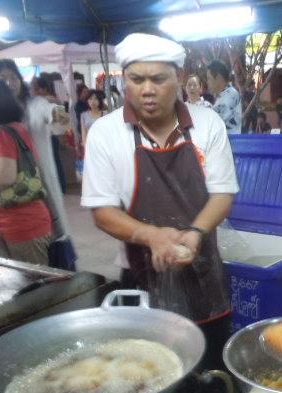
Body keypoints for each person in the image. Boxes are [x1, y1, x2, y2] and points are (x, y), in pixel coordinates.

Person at [81, 33, 239, 373]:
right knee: (149, 377)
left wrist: (195, 233)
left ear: (179, 77)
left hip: (205, 279)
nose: (147, 90)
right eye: (136, 80)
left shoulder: (207, 124)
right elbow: (103, 212)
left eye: (158, 79)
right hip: (142, 282)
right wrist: (151, 236)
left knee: (212, 376)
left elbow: (223, 194)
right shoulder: (105, 133)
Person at [0, 59, 74, 267]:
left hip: (41, 184)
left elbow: (48, 111)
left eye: (13, 77)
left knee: (54, 242)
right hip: (9, 193)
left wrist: (56, 113)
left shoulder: (33, 105)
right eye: (2, 78)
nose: (9, 83)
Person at [0, 77, 52, 265]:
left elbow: (6, 176)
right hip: (22, 223)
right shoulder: (16, 129)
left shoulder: (4, 135)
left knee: (33, 281)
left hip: (21, 225)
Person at [206, 60, 241, 134]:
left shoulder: (230, 95)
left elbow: (211, 123)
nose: (207, 82)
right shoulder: (224, 95)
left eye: (209, 78)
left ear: (218, 78)